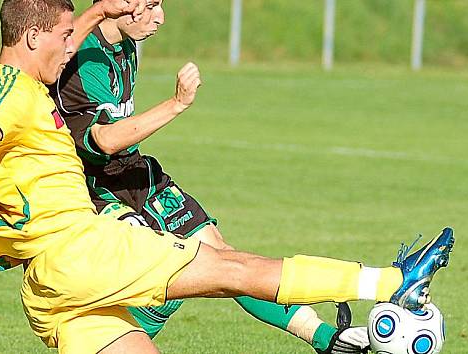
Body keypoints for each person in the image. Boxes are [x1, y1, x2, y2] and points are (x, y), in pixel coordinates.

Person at [0, 1, 454, 353]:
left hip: (51, 286)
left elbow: (33, 65)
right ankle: (391, 282)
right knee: (235, 269)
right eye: (64, 37)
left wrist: (92, 13)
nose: (71, 48)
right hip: (86, 248)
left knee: (223, 267)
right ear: (34, 37)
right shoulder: (15, 91)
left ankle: (333, 338)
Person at [49, 1, 364, 352]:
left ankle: (329, 341)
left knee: (220, 255)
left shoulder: (125, 44)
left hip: (136, 174)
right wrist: (177, 104)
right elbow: (103, 140)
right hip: (97, 190)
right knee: (163, 280)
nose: (161, 17)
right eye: (152, 5)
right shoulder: (82, 57)